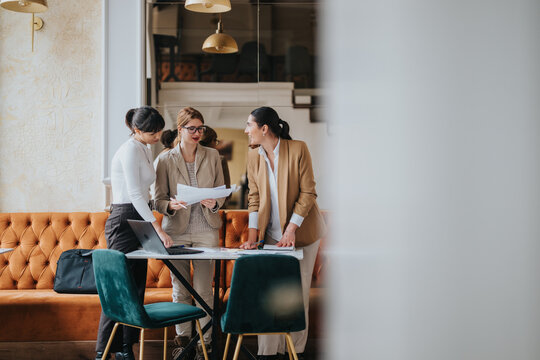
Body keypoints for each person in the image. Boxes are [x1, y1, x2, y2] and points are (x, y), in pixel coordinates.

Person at [240, 106, 326, 360]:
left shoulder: (298, 148)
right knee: (269, 294)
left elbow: (308, 192)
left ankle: (294, 351)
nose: (246, 130)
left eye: (249, 125)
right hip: (270, 237)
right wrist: (253, 235)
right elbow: (253, 197)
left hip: (304, 234)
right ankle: (268, 353)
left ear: (264, 128)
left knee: (298, 296)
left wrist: (291, 230)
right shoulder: (253, 155)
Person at [95, 106, 175, 360]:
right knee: (118, 288)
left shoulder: (143, 147)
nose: (158, 135)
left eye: (159, 130)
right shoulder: (129, 149)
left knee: (137, 287)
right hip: (123, 219)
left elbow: (146, 192)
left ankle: (126, 348)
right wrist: (158, 228)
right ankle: (104, 351)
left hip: (139, 215)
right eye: (153, 132)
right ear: (136, 130)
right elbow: (134, 194)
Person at [154, 107, 225, 360]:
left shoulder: (213, 155)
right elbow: (157, 200)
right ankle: (184, 344)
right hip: (177, 232)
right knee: (180, 290)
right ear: (180, 130)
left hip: (207, 231)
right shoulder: (164, 159)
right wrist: (169, 206)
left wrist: (214, 203)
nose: (197, 133)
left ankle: (204, 343)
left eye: (200, 128)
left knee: (204, 290)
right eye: (192, 128)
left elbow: (220, 192)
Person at [200, 126, 231, 206]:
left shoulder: (188, 158)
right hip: (216, 207)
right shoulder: (220, 160)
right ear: (211, 141)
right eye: (215, 141)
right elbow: (227, 191)